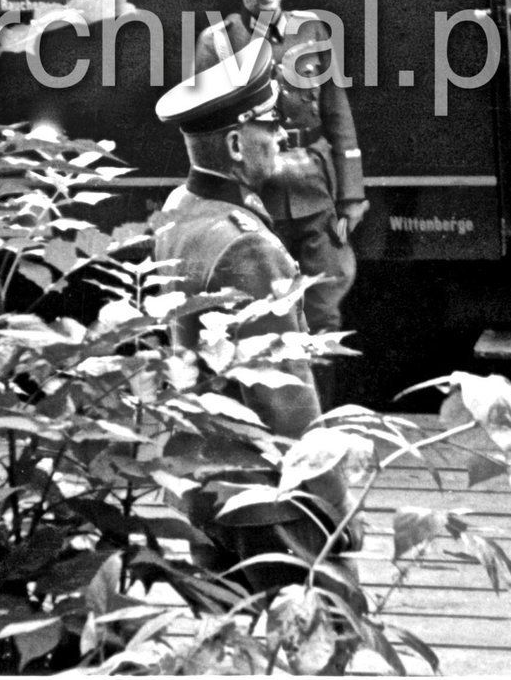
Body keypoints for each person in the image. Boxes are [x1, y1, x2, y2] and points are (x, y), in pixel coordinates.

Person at [153, 38, 363, 621]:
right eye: (269, 125)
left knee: (230, 645)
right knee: (327, 637)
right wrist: (335, 505)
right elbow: (286, 400)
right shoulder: (248, 243)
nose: (283, 137)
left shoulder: (178, 210)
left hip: (204, 487)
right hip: (268, 505)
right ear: (234, 143)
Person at [194, 0, 365, 348]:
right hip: (255, 201)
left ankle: (321, 415)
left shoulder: (312, 31)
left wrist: (352, 195)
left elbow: (337, 113)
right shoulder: (218, 43)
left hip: (316, 195)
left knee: (324, 318)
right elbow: (207, 135)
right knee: (264, 318)